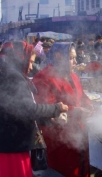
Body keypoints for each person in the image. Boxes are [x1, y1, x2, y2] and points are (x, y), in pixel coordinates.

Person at [0, 41, 68, 177]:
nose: (31, 66)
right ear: (20, 58)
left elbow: (19, 110)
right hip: (13, 147)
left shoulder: (8, 75)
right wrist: (56, 108)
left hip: (8, 144)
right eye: (30, 61)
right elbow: (29, 110)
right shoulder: (14, 78)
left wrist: (49, 119)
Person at [32, 42, 94, 177]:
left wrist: (88, 104)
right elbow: (46, 107)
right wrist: (75, 110)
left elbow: (82, 95)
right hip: (58, 138)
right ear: (59, 56)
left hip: (78, 133)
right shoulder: (43, 78)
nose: (75, 61)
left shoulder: (73, 76)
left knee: (81, 168)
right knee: (63, 171)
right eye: (71, 58)